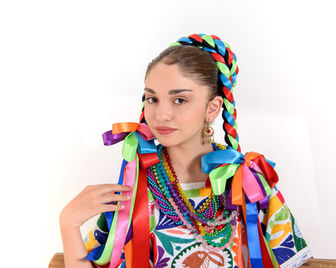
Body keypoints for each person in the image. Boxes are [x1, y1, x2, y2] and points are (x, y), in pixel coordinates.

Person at [59, 33, 312, 268]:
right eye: (152, 98)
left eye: (180, 100)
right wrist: (69, 222)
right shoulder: (136, 185)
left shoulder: (250, 182)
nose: (162, 114)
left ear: (212, 108)